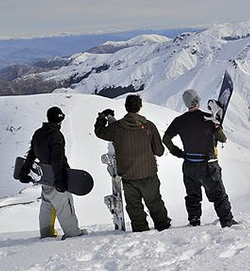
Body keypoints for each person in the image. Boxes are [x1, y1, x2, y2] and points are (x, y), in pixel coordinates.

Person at [94, 95, 172, 232]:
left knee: (134, 206)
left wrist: (103, 117)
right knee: (154, 202)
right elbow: (159, 151)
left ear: (126, 107)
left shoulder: (117, 127)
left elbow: (100, 132)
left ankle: (140, 230)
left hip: (128, 176)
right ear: (140, 107)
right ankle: (163, 227)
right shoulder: (149, 126)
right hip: (148, 173)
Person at [163, 89, 237, 228]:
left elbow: (166, 139)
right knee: (219, 196)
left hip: (189, 165)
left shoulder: (179, 121)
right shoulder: (208, 119)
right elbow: (223, 139)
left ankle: (194, 222)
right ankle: (227, 221)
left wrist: (179, 153)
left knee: (192, 197)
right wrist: (216, 125)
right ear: (197, 101)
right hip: (208, 165)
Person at [17, 106, 87, 239]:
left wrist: (24, 172)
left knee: (47, 205)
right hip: (58, 176)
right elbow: (57, 160)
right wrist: (59, 180)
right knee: (64, 205)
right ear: (59, 120)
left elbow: (31, 153)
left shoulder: (38, 133)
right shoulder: (56, 136)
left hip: (45, 177)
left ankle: (46, 234)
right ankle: (73, 233)